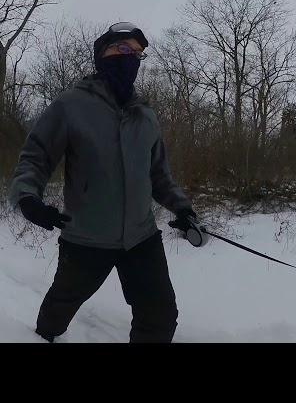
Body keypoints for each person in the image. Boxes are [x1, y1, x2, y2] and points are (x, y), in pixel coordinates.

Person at [8, 22, 197, 343]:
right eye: (123, 49)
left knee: (161, 316)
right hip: (85, 237)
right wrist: (28, 198)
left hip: (141, 238)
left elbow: (159, 174)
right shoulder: (71, 105)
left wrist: (181, 207)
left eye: (137, 53)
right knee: (60, 308)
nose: (131, 57)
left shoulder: (145, 116)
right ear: (101, 55)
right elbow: (36, 157)